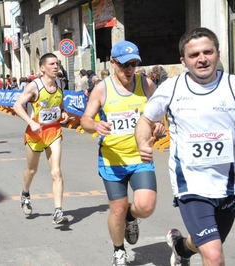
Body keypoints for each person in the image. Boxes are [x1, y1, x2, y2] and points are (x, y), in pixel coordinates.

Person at [135, 27, 235, 266]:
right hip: (192, 185)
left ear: (217, 53)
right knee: (213, 255)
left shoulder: (232, 86)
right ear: (183, 61)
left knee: (206, 242)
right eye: (194, 55)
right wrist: (142, 143)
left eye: (207, 52)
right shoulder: (172, 89)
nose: (202, 59)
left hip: (228, 184)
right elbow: (146, 120)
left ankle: (181, 248)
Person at [80, 41, 165, 265]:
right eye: (124, 65)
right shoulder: (102, 89)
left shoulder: (146, 84)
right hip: (112, 159)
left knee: (146, 206)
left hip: (140, 157)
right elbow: (85, 119)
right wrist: (95, 125)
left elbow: (158, 113)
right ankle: (119, 250)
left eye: (134, 64)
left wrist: (158, 125)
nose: (129, 70)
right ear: (113, 63)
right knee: (116, 209)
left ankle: (131, 217)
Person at [13, 53, 70, 225]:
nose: (56, 66)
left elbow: (60, 105)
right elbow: (17, 105)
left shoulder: (61, 83)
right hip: (35, 134)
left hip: (53, 131)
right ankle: (25, 193)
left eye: (57, 63)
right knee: (32, 170)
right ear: (42, 68)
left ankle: (58, 212)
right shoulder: (34, 86)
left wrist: (64, 113)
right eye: (52, 64)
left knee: (56, 171)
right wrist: (31, 122)